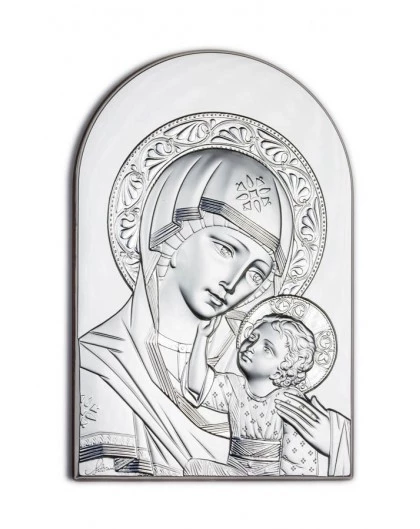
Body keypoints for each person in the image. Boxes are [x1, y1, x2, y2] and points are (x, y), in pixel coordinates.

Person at [78, 148, 350, 477]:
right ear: (171, 237)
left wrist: (335, 440)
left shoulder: (257, 368)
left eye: (256, 274)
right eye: (224, 249)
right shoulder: (100, 365)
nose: (233, 283)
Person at [183, 314, 318, 476]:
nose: (252, 347)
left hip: (271, 482)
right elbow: (197, 385)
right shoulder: (235, 387)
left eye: (267, 349)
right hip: (235, 474)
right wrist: (202, 337)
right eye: (253, 337)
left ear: (284, 368)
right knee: (195, 467)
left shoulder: (290, 400)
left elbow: (300, 464)